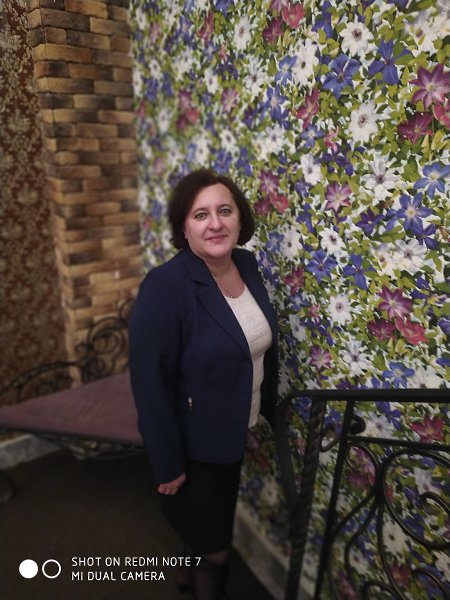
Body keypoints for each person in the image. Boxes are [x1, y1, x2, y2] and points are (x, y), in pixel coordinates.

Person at [129, 168, 278, 600]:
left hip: (234, 430)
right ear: (183, 227)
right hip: (194, 447)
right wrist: (167, 464)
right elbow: (150, 384)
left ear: (239, 218)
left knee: (203, 530)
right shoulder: (165, 287)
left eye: (224, 211)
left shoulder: (246, 265)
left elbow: (251, 342)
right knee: (216, 552)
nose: (215, 223)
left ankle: (185, 571)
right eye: (200, 215)